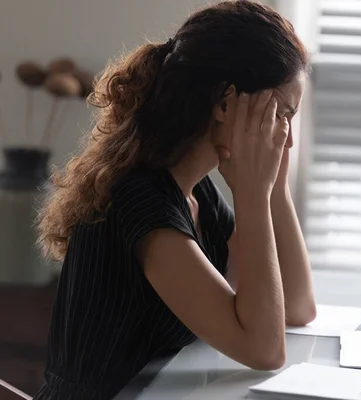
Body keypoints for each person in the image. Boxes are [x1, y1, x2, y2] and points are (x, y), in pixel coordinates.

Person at [33, 1, 316, 398]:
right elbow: (264, 350)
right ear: (224, 103)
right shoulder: (141, 200)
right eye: (280, 114)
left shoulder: (195, 191)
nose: (286, 137)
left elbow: (298, 307)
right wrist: (252, 195)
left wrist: (276, 188)